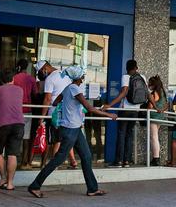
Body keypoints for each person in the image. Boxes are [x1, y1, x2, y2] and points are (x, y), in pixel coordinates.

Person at [28, 66, 117, 198]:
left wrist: (67, 109)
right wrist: (109, 115)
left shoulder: (67, 88)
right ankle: (35, 185)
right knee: (58, 159)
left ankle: (92, 188)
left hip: (73, 129)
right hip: (70, 129)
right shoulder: (74, 88)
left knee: (86, 156)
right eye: (82, 76)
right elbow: (89, 108)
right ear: (78, 77)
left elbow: (55, 102)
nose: (83, 78)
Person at [102, 60, 148, 168]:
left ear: (127, 68)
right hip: (136, 110)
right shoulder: (142, 77)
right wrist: (156, 107)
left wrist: (109, 104)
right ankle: (126, 161)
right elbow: (148, 93)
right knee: (129, 135)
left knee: (121, 134)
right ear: (136, 67)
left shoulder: (126, 77)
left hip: (124, 110)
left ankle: (118, 161)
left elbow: (124, 92)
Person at [35, 60, 77, 169]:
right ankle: (72, 161)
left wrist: (42, 117)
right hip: (67, 112)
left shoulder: (50, 79)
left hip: (54, 114)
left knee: (55, 140)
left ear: (44, 69)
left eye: (40, 71)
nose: (41, 74)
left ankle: (53, 164)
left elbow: (47, 99)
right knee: (65, 137)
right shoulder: (65, 75)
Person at [0, 70, 24, 190]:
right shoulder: (20, 90)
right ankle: (10, 184)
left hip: (3, 124)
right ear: (13, 79)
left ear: (1, 80)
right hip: (19, 124)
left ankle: (3, 177)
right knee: (12, 154)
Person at [12, 59, 38, 170]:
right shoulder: (31, 79)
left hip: (15, 110)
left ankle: (10, 161)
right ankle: (24, 163)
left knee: (13, 137)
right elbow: (35, 94)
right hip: (28, 110)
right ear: (26, 67)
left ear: (18, 66)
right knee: (26, 138)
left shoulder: (14, 78)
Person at [147, 75, 168, 166]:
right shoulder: (162, 92)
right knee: (155, 137)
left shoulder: (154, 94)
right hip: (160, 117)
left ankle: (156, 158)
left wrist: (147, 106)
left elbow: (150, 106)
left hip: (153, 117)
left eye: (149, 83)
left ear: (153, 84)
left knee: (154, 137)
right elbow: (167, 105)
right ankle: (156, 157)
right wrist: (162, 110)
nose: (148, 85)